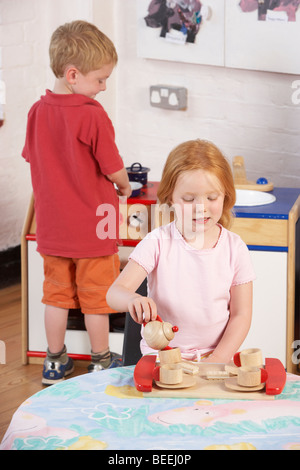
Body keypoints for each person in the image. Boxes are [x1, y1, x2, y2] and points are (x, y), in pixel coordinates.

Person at [22, 20, 131, 384]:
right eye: (100, 79)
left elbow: (36, 160)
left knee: (55, 297)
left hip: (52, 230)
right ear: (73, 75)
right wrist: (125, 186)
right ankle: (101, 360)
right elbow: (113, 167)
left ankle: (54, 362)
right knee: (97, 299)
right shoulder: (91, 114)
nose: (103, 87)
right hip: (92, 231)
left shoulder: (37, 112)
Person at [107, 139, 255, 363]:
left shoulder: (235, 248)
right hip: (162, 358)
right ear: (170, 199)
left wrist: (218, 358)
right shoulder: (157, 242)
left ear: (226, 195)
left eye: (212, 197)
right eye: (188, 199)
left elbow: (241, 315)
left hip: (215, 359)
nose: (201, 207)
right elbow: (114, 293)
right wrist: (131, 299)